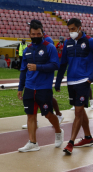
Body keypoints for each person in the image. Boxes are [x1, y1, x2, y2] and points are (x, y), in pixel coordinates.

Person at [55, 18, 93, 155]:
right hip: (71, 82)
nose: (71, 32)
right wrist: (58, 81)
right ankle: (88, 138)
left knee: (78, 112)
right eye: (69, 29)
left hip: (84, 82)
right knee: (80, 111)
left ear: (79, 27)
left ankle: (70, 143)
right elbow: (63, 63)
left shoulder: (90, 41)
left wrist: (92, 77)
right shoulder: (67, 43)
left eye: (73, 29)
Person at [17, 22, 64, 152]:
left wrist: (38, 67)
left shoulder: (50, 47)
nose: (36, 36)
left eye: (38, 34)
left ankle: (59, 131)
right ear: (29, 34)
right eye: (33, 34)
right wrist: (20, 88)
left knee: (48, 114)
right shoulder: (27, 50)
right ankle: (33, 142)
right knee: (30, 115)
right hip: (29, 87)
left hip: (44, 87)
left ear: (42, 33)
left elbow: (55, 65)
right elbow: (23, 70)